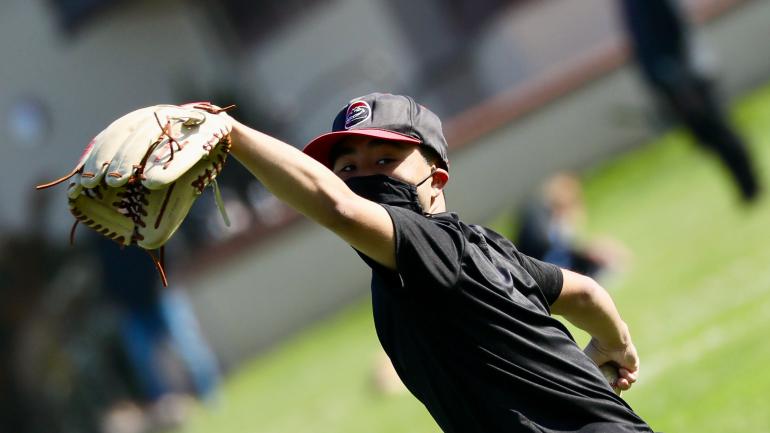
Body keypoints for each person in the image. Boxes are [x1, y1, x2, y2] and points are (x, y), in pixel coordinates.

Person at [220, 92, 654, 432]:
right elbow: (585, 292)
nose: (364, 177)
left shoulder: (429, 245)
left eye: (386, 160)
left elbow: (340, 210)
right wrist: (615, 345)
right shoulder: (480, 245)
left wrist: (230, 134)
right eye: (348, 166)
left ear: (436, 179)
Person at [618, 0, 760, 201]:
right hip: (668, 82)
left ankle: (751, 185)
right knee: (705, 137)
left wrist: (680, 74)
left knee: (719, 129)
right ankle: (745, 187)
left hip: (687, 77)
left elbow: (676, 26)